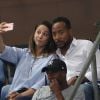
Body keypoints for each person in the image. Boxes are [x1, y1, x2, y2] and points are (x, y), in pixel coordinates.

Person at [0, 21, 57, 100]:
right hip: (14, 93)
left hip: (33, 95)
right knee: (5, 90)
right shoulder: (24, 52)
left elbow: (41, 85)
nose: (40, 36)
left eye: (45, 34)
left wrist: (21, 95)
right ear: (34, 34)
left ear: (49, 39)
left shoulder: (52, 59)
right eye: (38, 32)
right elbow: (3, 50)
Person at [51, 16, 100, 100]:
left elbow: (99, 70)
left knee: (83, 89)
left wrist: (79, 79)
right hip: (62, 91)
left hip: (84, 86)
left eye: (61, 32)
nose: (57, 37)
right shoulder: (54, 55)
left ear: (70, 31)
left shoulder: (86, 45)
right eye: (54, 34)